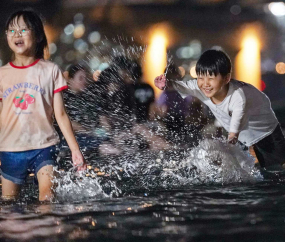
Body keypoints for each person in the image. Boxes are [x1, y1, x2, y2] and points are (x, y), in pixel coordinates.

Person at [0, 9, 86, 201]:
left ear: (38, 36)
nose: (17, 35)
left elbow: (61, 115)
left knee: (47, 200)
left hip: (44, 146)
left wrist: (75, 149)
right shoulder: (2, 75)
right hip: (10, 150)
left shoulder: (50, 71)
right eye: (12, 31)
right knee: (8, 206)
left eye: (23, 30)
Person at [154, 49, 285, 169]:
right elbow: (183, 86)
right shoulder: (201, 87)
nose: (205, 84)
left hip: (266, 135)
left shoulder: (238, 95)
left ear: (227, 78)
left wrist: (231, 140)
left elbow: (236, 122)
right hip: (243, 138)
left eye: (211, 78)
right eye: (200, 78)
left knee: (273, 172)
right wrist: (166, 84)